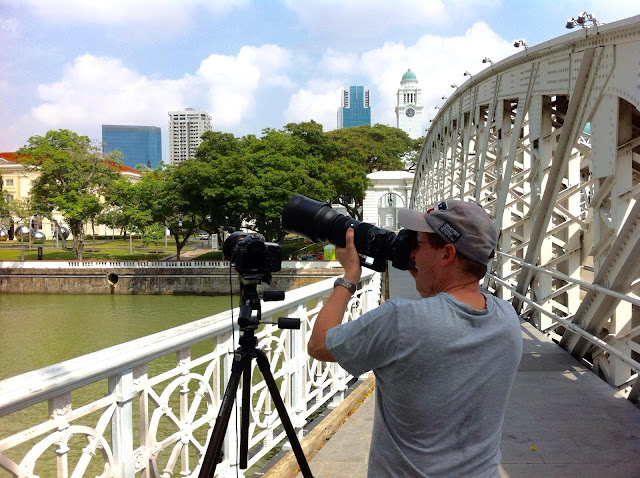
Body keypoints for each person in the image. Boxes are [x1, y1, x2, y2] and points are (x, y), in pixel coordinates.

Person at [307, 200, 522, 477]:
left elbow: (319, 344)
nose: (412, 254)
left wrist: (350, 276)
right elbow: (446, 316)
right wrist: (428, 278)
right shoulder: (507, 318)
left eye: (418, 245)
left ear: (447, 255)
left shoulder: (400, 319)